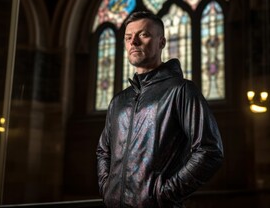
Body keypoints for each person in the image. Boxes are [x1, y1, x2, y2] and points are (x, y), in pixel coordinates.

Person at [96, 11, 224, 208]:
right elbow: (103, 151)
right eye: (128, 38)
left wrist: (163, 194)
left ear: (162, 42)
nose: (134, 42)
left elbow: (210, 150)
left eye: (143, 35)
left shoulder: (181, 90)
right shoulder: (119, 101)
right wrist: (107, 187)